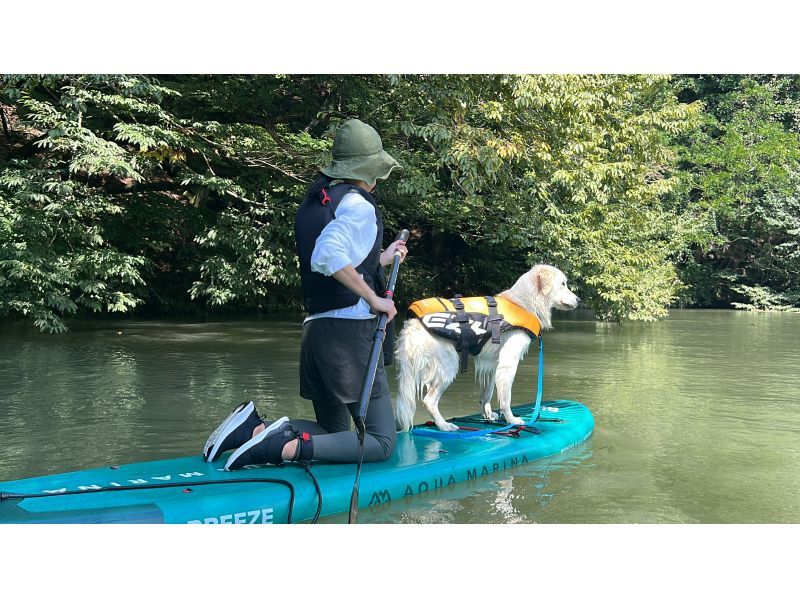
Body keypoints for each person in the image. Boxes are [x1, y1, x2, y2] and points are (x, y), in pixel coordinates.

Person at [202, 119, 408, 471]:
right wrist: (375, 300)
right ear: (366, 170)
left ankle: (253, 429)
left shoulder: (320, 198)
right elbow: (327, 254)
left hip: (317, 332)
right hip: (351, 337)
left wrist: (382, 257)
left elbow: (338, 258)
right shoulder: (358, 206)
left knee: (332, 429)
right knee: (380, 441)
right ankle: (277, 448)